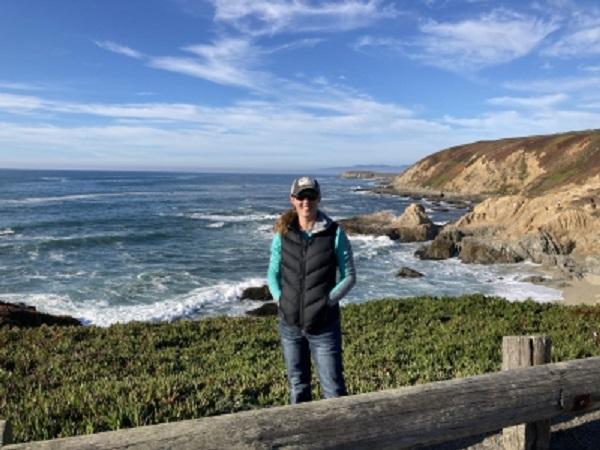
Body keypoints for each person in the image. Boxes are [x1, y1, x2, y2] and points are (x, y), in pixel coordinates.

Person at [267, 176, 356, 404]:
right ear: (292, 200)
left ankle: (338, 437)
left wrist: (327, 301)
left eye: (311, 196)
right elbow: (272, 274)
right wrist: (280, 299)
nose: (306, 202)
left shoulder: (334, 233)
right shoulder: (282, 234)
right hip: (290, 325)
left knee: (334, 390)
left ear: (319, 199)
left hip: (324, 326)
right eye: (301, 197)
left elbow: (349, 277)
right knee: (298, 386)